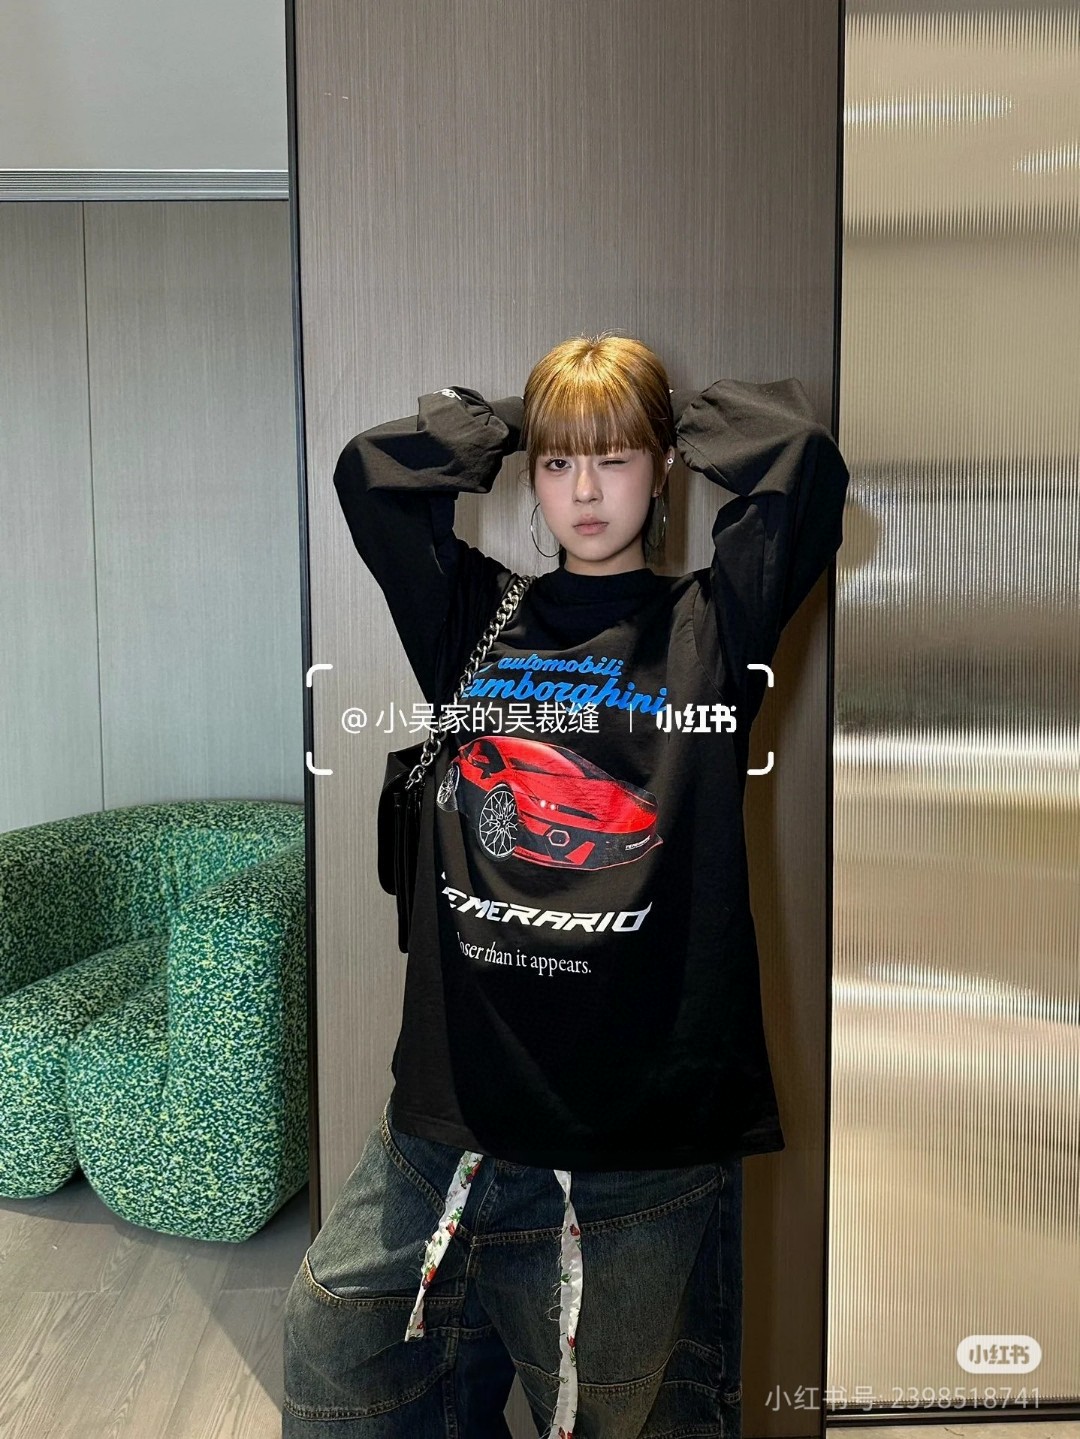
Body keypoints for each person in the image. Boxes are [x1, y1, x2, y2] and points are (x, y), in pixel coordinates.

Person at [282, 332, 851, 1439]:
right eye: (558, 463)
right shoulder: (473, 618)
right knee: (338, 1351)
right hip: (455, 1108)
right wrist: (520, 417)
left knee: (610, 1417)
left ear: (663, 466)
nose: (584, 492)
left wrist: (642, 405)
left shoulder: (716, 623)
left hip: (637, 1135)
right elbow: (369, 473)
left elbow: (802, 460)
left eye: (616, 458)